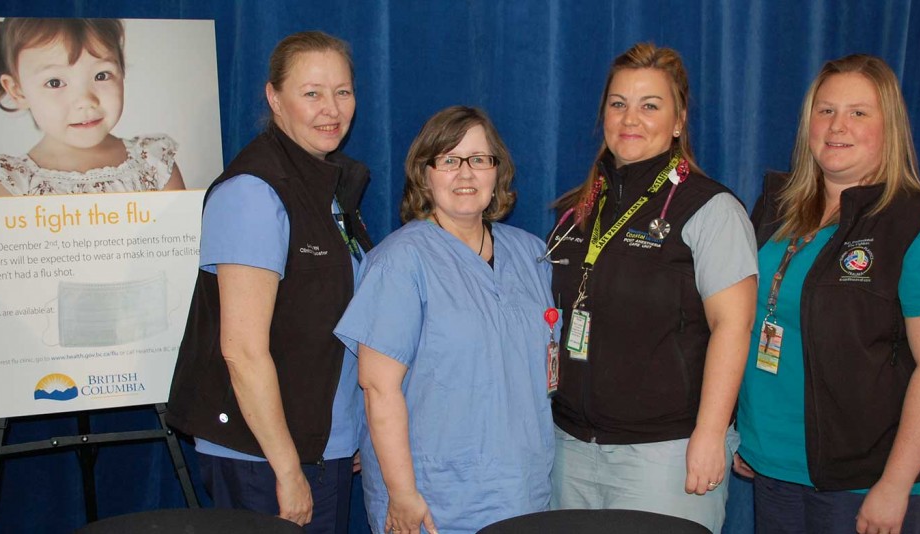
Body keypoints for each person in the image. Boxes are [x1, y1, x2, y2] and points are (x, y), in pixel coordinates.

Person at [734, 54, 920, 534]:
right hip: (774, 463)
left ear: (889, 127)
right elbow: (744, 319)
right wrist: (741, 430)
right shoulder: (776, 209)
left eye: (858, 113)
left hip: (867, 481)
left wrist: (895, 483)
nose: (837, 126)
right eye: (825, 110)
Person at [545, 42, 757, 533]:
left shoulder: (710, 209)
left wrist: (709, 434)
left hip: (665, 455)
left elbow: (734, 326)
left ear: (679, 120)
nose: (630, 118)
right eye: (618, 104)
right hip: (571, 448)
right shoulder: (576, 213)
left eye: (650, 105)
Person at [166, 31, 372, 533]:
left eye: (342, 91)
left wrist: (352, 431)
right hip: (264, 456)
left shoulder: (330, 185)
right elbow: (241, 350)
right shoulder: (253, 193)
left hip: (322, 444)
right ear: (274, 98)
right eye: (312, 93)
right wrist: (287, 469)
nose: (331, 109)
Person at [334, 106, 557, 534]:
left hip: (523, 489)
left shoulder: (532, 256)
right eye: (449, 160)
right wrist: (402, 494)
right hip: (433, 500)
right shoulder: (400, 262)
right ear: (425, 174)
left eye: (479, 159)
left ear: (498, 172)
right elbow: (378, 387)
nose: (466, 174)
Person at [0, 18, 185, 196]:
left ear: (121, 72)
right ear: (17, 91)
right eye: (54, 82)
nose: (85, 100)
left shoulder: (154, 164)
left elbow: (182, 242)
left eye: (101, 75)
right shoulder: (10, 186)